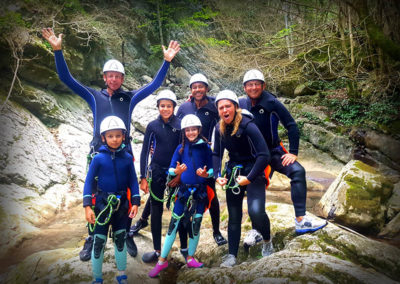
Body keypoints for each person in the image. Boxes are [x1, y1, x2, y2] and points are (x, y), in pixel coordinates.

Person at [41, 27, 180, 261]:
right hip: (99, 153)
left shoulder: (129, 98)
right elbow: (66, 79)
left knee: (126, 193)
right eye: (110, 75)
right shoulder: (94, 96)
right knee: (96, 195)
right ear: (104, 77)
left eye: (118, 76)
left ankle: (124, 233)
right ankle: (92, 237)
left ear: (123, 79)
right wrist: (57, 50)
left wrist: (166, 62)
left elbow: (154, 86)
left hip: (124, 153)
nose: (114, 79)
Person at [239, 69, 327, 239]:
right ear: (244, 88)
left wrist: (293, 152)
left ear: (263, 85)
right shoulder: (241, 104)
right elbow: (223, 111)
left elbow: (291, 125)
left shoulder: (272, 102)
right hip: (255, 156)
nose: (253, 87)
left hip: (273, 151)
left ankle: (301, 219)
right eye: (250, 85)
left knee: (298, 171)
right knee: (255, 193)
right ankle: (257, 230)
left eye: (257, 84)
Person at [213, 90, 274, 268]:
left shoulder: (248, 125)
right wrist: (218, 175)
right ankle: (232, 255)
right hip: (233, 170)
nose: (225, 110)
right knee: (234, 216)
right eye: (221, 107)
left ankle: (267, 242)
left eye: (228, 106)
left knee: (256, 211)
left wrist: (250, 177)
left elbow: (264, 155)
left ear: (236, 108)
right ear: (218, 110)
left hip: (254, 169)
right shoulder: (219, 128)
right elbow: (217, 153)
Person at [148, 114, 213, 277]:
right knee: (173, 225)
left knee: (196, 224)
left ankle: (190, 258)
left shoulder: (205, 147)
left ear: (199, 130)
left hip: (199, 192)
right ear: (184, 132)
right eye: (188, 130)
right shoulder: (180, 148)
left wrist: (206, 174)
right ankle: (161, 261)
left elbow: (212, 170)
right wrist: (176, 172)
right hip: (183, 192)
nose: (191, 132)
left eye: (194, 129)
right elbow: (171, 169)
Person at [83, 116, 139, 284]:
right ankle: (97, 277)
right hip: (102, 204)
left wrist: (135, 202)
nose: (114, 139)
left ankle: (121, 274)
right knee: (99, 240)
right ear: (103, 138)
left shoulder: (128, 158)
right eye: (110, 136)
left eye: (118, 135)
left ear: (123, 136)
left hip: (121, 205)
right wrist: (87, 206)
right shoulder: (98, 158)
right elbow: (88, 181)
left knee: (120, 238)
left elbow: (133, 181)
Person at [137, 90, 187, 263]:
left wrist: (180, 177)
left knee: (180, 209)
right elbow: (144, 152)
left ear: (174, 107)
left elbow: (185, 152)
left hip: (176, 172)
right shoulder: (152, 126)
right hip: (157, 171)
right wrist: (143, 177)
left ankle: (184, 248)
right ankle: (157, 250)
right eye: (162, 106)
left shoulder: (181, 125)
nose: (165, 109)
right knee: (156, 210)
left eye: (169, 106)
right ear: (158, 107)